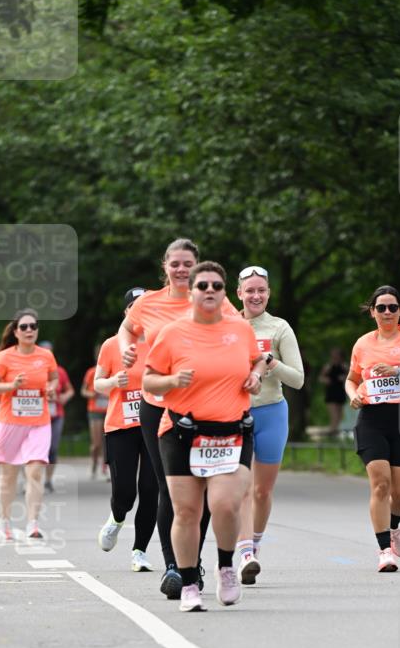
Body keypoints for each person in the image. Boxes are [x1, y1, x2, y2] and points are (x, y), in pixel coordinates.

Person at [118, 238, 239, 600]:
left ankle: (193, 561)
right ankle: (175, 567)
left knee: (198, 489)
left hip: (203, 407)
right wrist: (127, 350)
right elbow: (127, 329)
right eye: (176, 264)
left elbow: (238, 332)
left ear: (198, 266)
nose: (182, 270)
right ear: (165, 266)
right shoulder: (148, 303)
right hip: (157, 405)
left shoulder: (210, 297)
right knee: (170, 487)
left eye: (188, 264)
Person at [143, 261, 266, 611]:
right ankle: (188, 585)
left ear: (224, 291)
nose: (209, 291)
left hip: (231, 432)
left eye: (215, 286)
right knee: (186, 512)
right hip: (182, 432)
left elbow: (258, 360)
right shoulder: (172, 333)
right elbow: (149, 380)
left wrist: (255, 375)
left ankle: (226, 566)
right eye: (202, 286)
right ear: (191, 292)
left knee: (225, 506)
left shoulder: (239, 329)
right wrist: (171, 382)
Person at [345, 285, 400, 572]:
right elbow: (351, 379)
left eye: (392, 307)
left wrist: (399, 372)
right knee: (380, 483)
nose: (387, 312)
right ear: (372, 312)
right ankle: (384, 550)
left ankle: (394, 527)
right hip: (372, 418)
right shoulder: (362, 344)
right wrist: (353, 396)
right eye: (381, 308)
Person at [233, 266, 304, 584]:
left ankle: (255, 543)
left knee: (262, 491)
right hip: (234, 415)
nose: (256, 295)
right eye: (250, 290)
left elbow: (299, 380)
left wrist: (269, 362)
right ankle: (245, 552)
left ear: (269, 293)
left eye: (261, 290)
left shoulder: (279, 328)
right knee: (243, 488)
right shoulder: (227, 325)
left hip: (272, 414)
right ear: (239, 294)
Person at [95, 288, 159, 572]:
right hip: (120, 425)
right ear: (127, 314)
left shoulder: (163, 341)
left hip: (155, 423)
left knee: (151, 488)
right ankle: (117, 518)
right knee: (125, 492)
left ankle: (140, 551)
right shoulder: (112, 345)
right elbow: (97, 382)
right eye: (135, 306)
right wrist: (112, 383)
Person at [0, 309, 58, 541]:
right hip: (10, 422)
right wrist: (11, 386)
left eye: (33, 326)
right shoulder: (5, 357)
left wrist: (52, 388)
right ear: (15, 331)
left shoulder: (46, 356)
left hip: (39, 421)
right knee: (8, 474)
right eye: (24, 327)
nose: (29, 330)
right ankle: (5, 522)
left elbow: (54, 378)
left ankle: (32, 524)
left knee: (35, 470)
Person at [39, 341, 74, 493]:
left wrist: (65, 397)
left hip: (56, 415)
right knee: (34, 450)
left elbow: (70, 390)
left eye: (50, 353)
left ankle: (48, 480)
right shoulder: (34, 370)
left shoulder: (60, 372)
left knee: (52, 449)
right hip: (36, 416)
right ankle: (31, 480)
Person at [81, 349, 108, 479]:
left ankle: (105, 468)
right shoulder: (91, 372)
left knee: (106, 441)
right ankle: (93, 464)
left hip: (109, 410)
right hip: (95, 411)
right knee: (96, 443)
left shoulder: (112, 371)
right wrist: (93, 394)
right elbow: (83, 391)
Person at [319, 347, 348, 435]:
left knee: (340, 414)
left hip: (340, 391)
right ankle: (333, 430)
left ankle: (335, 430)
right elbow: (321, 378)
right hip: (331, 391)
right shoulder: (328, 366)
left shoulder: (345, 366)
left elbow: (351, 377)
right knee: (333, 413)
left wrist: (344, 378)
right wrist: (326, 380)